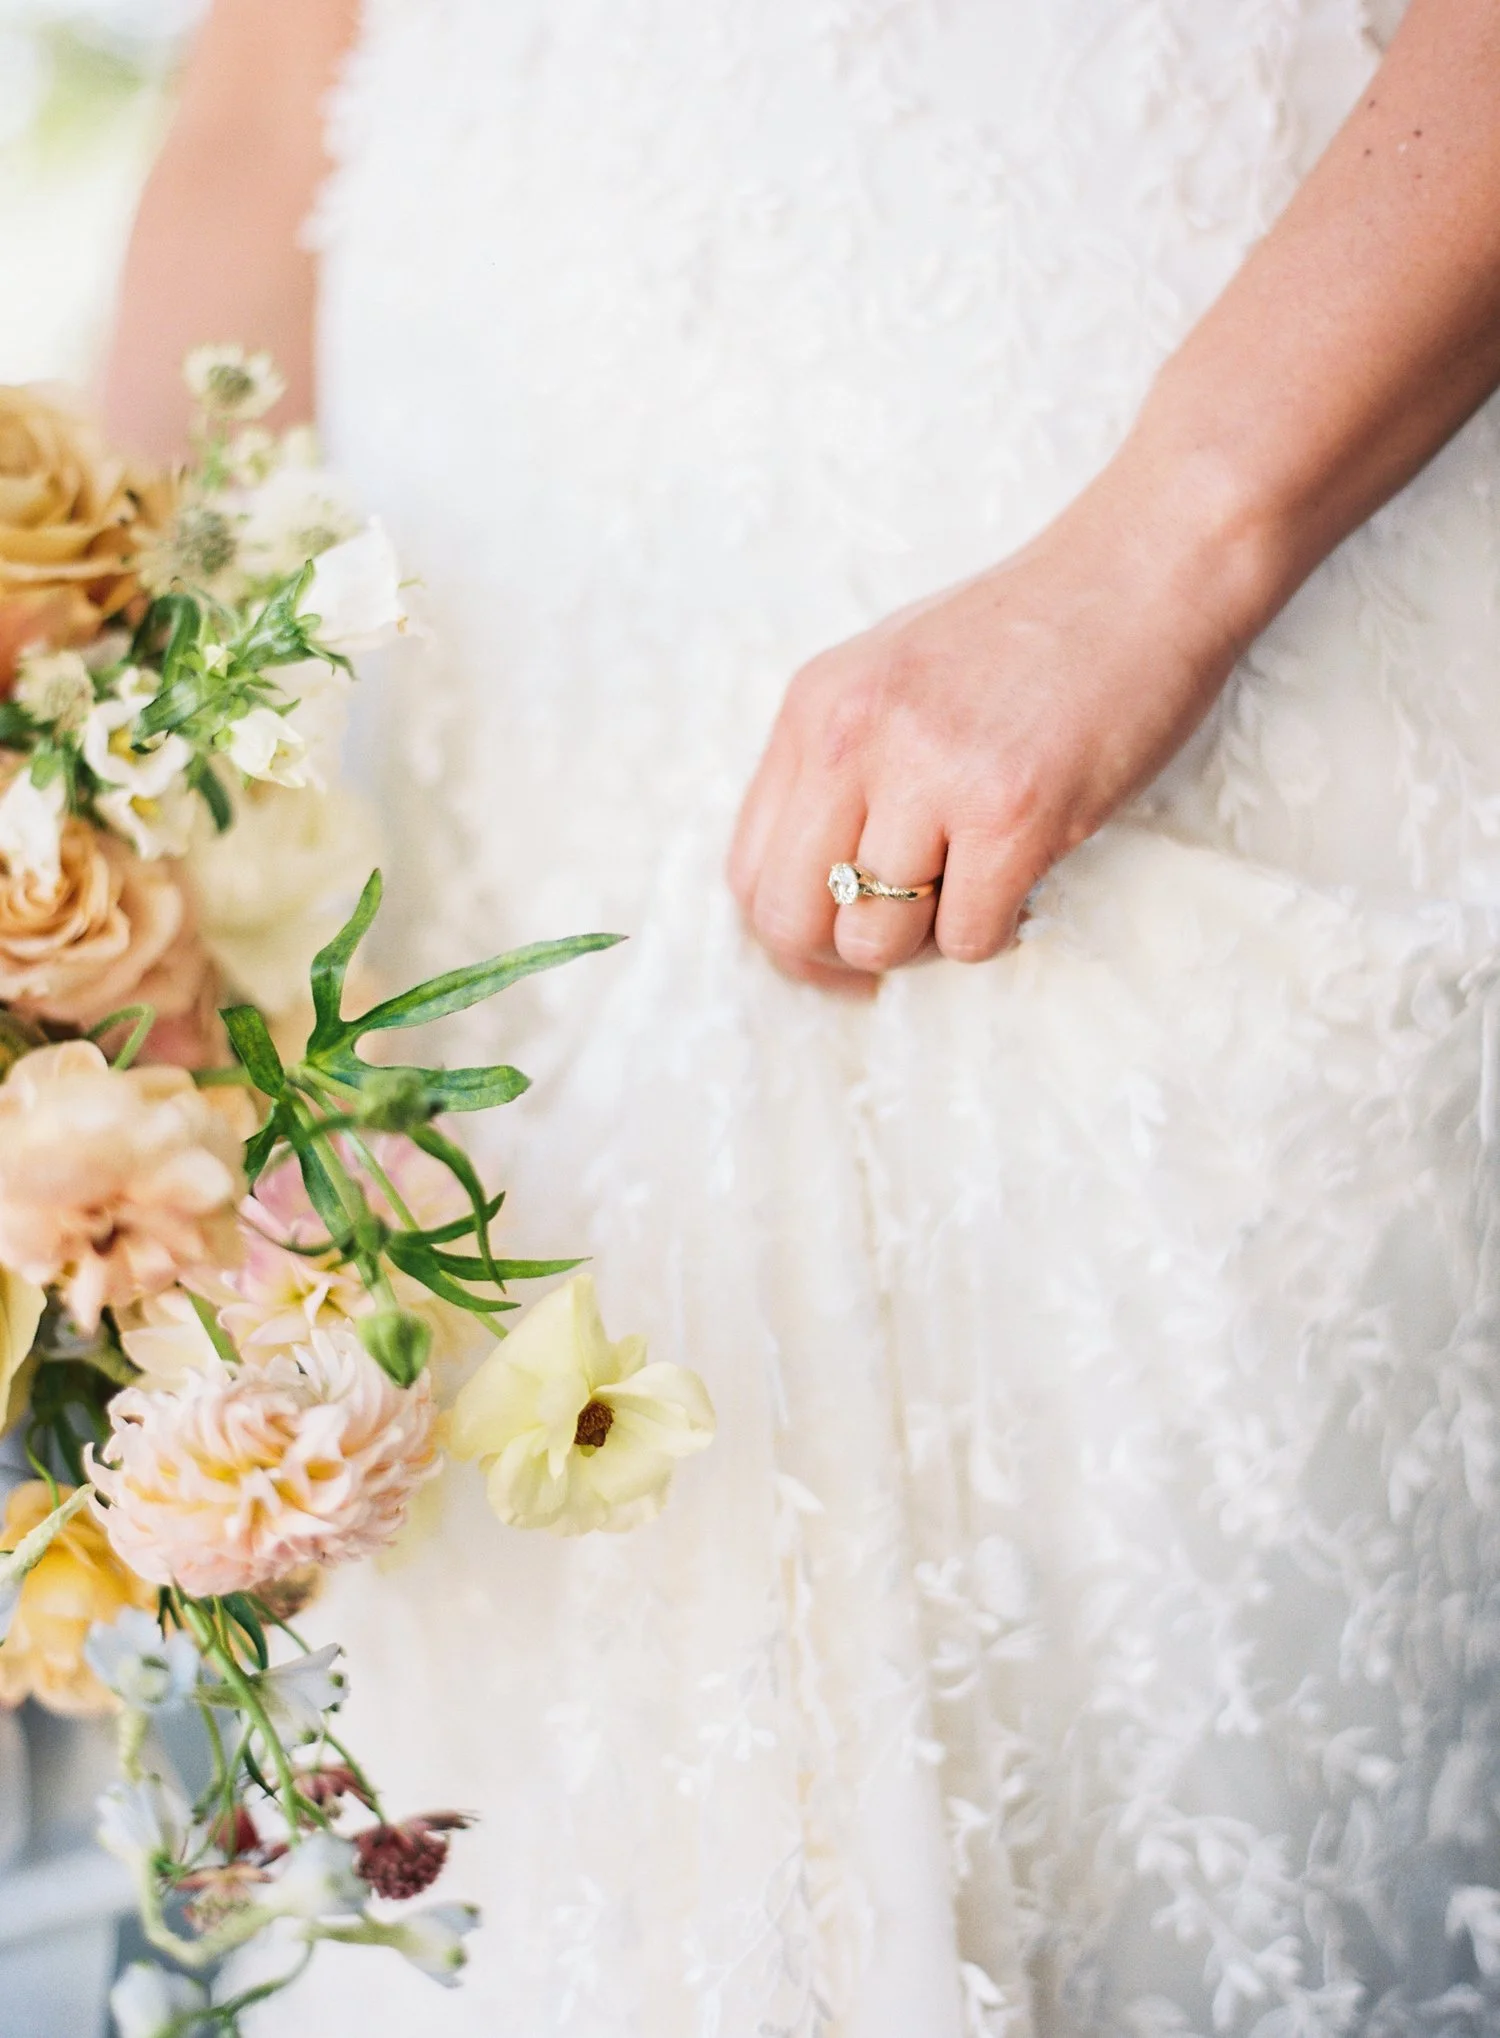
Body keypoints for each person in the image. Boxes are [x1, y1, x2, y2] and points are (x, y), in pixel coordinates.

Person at [106, 2, 1500, 2031]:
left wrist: (1157, 561)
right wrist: (137, 808)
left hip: (1169, 697)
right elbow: (255, 109)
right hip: (498, 820)